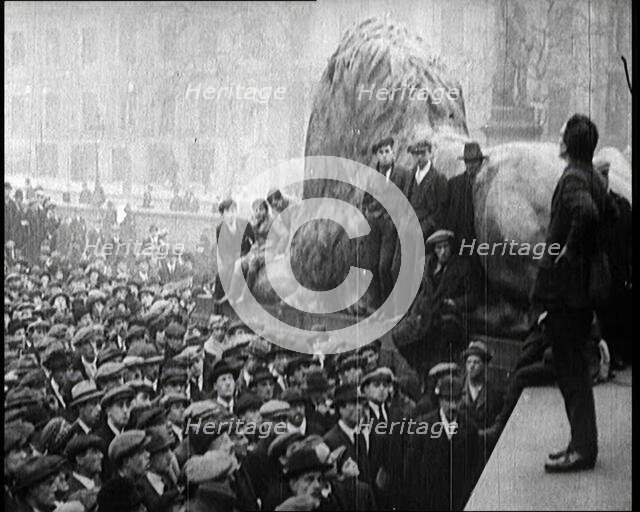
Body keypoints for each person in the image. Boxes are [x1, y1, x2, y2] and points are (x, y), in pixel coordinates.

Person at [531, 113, 607, 472]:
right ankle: (581, 444)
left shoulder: (575, 177)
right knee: (573, 367)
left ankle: (582, 449)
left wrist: (570, 251)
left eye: (562, 132)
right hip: (579, 293)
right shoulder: (591, 175)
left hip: (567, 295)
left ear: (569, 142)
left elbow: (588, 215)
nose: (558, 135)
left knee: (571, 370)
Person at [392, 229, 479, 378]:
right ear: (434, 250)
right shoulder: (426, 264)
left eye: (446, 247)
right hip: (423, 314)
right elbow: (416, 291)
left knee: (439, 345)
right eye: (439, 248)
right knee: (398, 335)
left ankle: (433, 374)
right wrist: (413, 311)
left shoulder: (462, 266)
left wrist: (455, 303)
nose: (443, 251)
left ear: (451, 247)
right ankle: (422, 369)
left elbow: (473, 297)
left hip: (446, 316)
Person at [403, 375, 480, 510]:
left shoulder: (470, 429)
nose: (453, 406)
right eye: (448, 400)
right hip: (427, 504)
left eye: (456, 400)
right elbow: (411, 471)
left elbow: (474, 470)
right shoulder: (422, 426)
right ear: (439, 400)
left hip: (459, 504)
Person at [362, 136, 411, 309]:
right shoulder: (372, 175)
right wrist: (369, 215)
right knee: (371, 264)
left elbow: (405, 200)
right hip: (374, 226)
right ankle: (375, 304)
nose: (384, 156)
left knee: (385, 266)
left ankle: (390, 304)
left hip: (391, 226)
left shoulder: (403, 174)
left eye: (387, 152)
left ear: (393, 153)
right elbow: (365, 200)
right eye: (381, 153)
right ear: (377, 156)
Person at [393, 139, 448, 272]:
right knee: (396, 268)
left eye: (422, 153)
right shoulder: (410, 175)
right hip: (407, 228)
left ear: (430, 153)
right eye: (415, 154)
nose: (419, 157)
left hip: (426, 232)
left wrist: (425, 227)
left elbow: (441, 211)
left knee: (419, 271)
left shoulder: (438, 178)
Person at [214, 199, 255, 304]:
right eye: (228, 212)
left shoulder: (244, 223)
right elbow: (222, 250)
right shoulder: (220, 229)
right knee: (220, 275)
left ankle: (231, 296)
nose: (231, 215)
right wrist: (231, 262)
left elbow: (255, 240)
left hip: (247, 255)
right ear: (223, 214)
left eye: (234, 211)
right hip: (231, 259)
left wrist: (251, 254)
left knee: (239, 265)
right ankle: (218, 306)